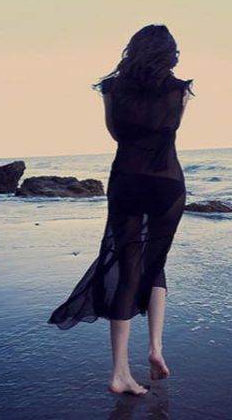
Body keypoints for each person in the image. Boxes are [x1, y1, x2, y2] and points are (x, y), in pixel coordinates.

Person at [47, 24, 195, 396]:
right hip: (166, 183)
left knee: (129, 268)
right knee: (155, 262)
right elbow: (170, 128)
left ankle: (119, 372)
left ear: (133, 50)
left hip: (126, 181)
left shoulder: (112, 89)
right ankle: (156, 347)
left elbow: (116, 133)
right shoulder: (181, 90)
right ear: (170, 54)